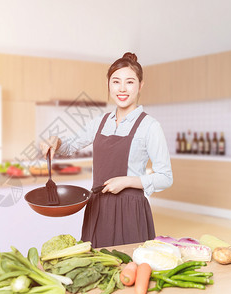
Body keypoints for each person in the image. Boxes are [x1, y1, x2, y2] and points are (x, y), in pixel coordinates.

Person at [40, 52, 173, 248]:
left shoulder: (150, 126)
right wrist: (54, 142)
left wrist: (127, 181)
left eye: (129, 82)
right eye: (116, 81)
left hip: (130, 211)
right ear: (108, 84)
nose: (122, 89)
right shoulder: (100, 123)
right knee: (97, 268)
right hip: (98, 209)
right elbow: (68, 146)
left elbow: (165, 177)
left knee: (128, 270)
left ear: (140, 85)